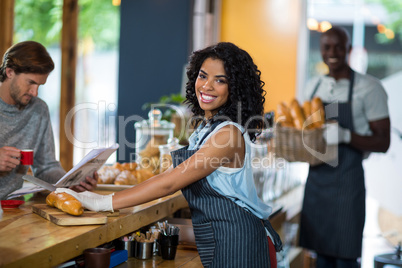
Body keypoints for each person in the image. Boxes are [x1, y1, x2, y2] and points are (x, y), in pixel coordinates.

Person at [57, 42, 283, 267]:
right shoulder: (209, 128)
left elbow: (169, 182)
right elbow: (171, 176)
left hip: (238, 246)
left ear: (236, 88)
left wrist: (104, 202)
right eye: (203, 76)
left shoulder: (228, 135)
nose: (207, 86)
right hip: (223, 241)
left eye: (220, 80)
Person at [299, 26, 391, 268]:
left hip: (347, 185)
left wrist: (346, 135)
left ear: (348, 50)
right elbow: (307, 133)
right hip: (317, 184)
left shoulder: (369, 88)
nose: (333, 52)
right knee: (321, 257)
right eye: (326, 47)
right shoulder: (314, 87)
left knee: (346, 258)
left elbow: (384, 141)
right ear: (320, 50)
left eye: (339, 47)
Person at [0, 41, 98, 200]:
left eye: (40, 85)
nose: (35, 92)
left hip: (14, 209)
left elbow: (46, 167)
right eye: (31, 83)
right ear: (10, 72)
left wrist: (69, 183)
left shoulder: (38, 110)